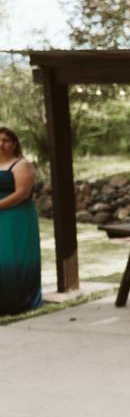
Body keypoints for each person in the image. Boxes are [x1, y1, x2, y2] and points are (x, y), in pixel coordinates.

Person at [0, 127, 42, 315]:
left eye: (5, 140)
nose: (1, 144)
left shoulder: (21, 164)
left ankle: (18, 301)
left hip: (16, 216)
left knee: (14, 255)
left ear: (14, 143)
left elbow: (22, 193)